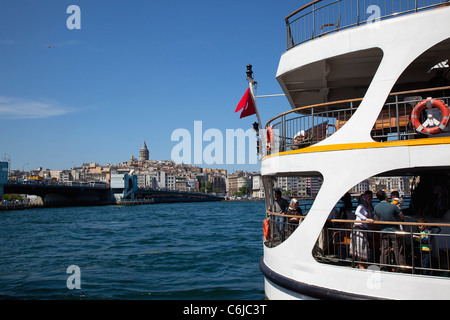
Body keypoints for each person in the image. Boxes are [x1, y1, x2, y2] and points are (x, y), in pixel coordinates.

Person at [374, 190, 406, 270]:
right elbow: (402, 217)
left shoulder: (376, 207)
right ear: (385, 196)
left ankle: (383, 267)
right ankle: (401, 268)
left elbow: (377, 219)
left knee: (384, 250)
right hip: (394, 231)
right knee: (397, 250)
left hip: (384, 231)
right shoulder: (393, 206)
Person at [350, 192, 374, 269]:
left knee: (363, 247)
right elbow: (357, 212)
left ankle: (363, 263)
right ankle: (360, 264)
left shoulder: (367, 207)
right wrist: (365, 219)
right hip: (358, 227)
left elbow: (370, 214)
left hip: (364, 228)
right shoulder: (361, 206)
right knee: (359, 246)